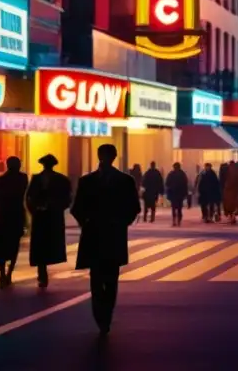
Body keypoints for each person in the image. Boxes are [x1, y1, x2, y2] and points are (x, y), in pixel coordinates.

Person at [70, 143, 140, 335]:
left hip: (95, 233)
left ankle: (101, 314)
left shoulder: (87, 181)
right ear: (114, 157)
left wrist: (86, 222)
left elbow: (76, 208)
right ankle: (105, 315)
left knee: (98, 276)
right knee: (110, 277)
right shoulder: (125, 180)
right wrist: (121, 222)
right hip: (112, 234)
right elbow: (134, 208)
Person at [26, 154, 72, 288]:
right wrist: (33, 209)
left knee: (49, 243)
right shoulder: (37, 179)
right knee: (39, 244)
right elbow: (29, 196)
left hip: (53, 214)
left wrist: (57, 207)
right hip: (40, 215)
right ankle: (42, 271)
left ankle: (43, 270)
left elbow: (67, 198)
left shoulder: (61, 180)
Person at [0, 156, 29, 288]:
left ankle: (2, 271)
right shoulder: (23, 179)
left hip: (1, 217)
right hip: (15, 216)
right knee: (13, 246)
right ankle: (9, 272)